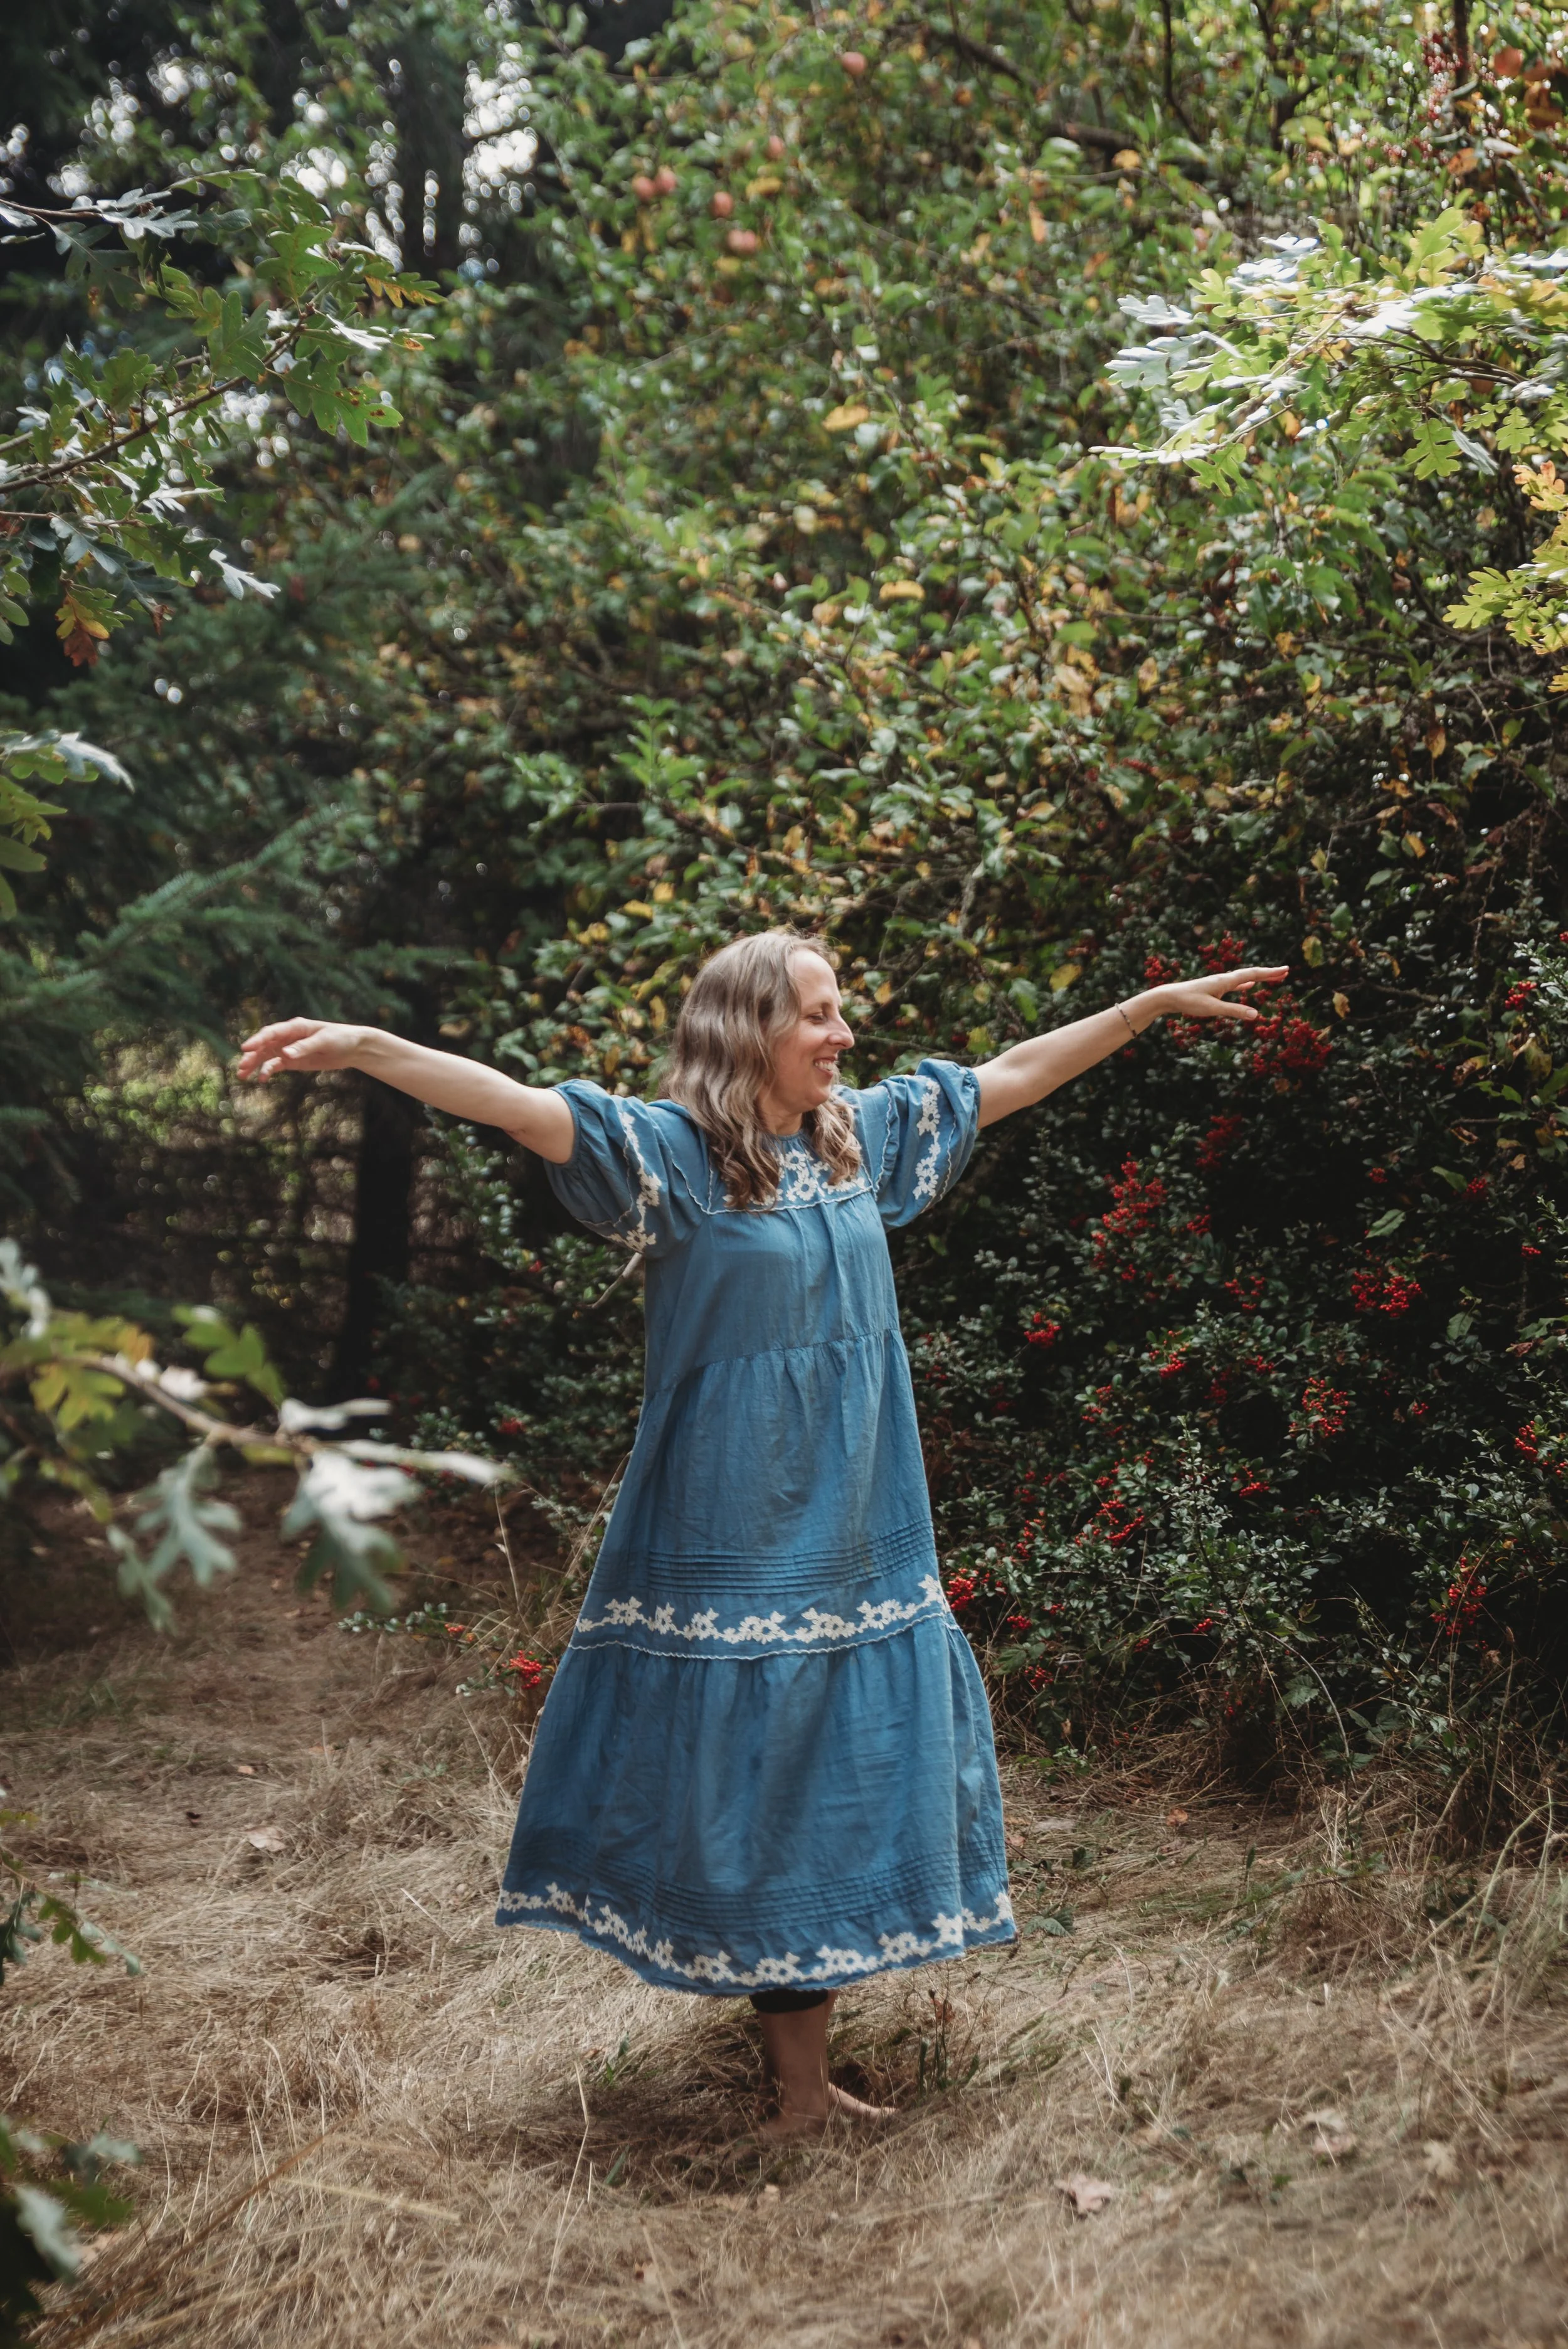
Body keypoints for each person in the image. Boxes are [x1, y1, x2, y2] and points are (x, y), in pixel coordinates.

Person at [237, 932, 1285, 2134]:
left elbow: (1015, 1075)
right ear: (750, 1033)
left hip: (856, 1508)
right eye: (820, 1017)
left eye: (841, 1014)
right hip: (729, 1512)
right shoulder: (678, 1157)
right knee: (748, 1775)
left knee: (830, 1767)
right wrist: (370, 1048)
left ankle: (802, 2089)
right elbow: (525, 1111)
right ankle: (777, 2068)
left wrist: (1143, 1006)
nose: (844, 1035)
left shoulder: (858, 1138)